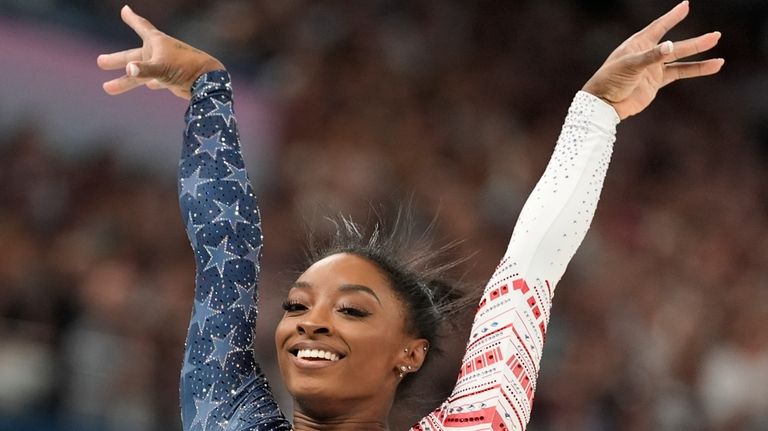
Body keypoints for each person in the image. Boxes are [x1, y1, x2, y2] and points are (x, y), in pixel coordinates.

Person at [97, 2, 723, 430]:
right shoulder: (223, 414)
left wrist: (595, 115)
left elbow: (531, 267)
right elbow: (223, 253)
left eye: (352, 310)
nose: (309, 323)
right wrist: (207, 87)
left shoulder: (475, 422)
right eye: (297, 305)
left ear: (411, 353)